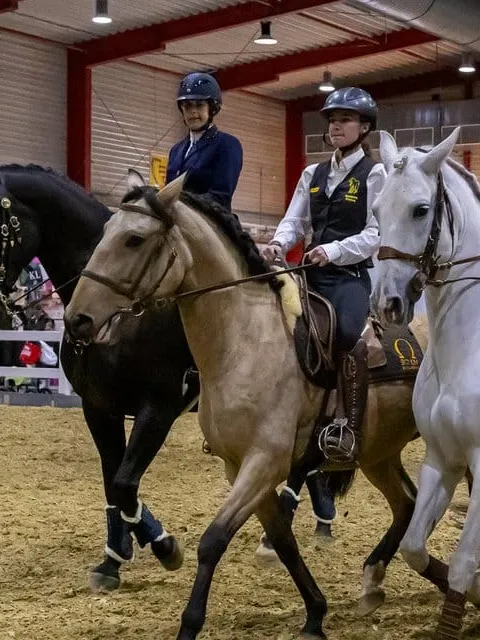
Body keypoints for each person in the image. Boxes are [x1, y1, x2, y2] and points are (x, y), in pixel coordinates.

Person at [262, 86, 385, 463]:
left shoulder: (375, 173)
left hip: (348, 278)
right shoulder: (312, 173)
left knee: (349, 336)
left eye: (345, 119)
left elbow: (376, 234)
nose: (336, 126)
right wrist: (278, 245)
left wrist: (332, 250)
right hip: (307, 274)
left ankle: (348, 425)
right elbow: (294, 220)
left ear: (364, 127)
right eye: (332, 119)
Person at [165, 71, 244, 210]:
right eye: (188, 105)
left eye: (199, 105)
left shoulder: (227, 144)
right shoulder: (175, 150)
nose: (193, 112)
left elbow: (221, 196)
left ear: (212, 108)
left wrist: (182, 207)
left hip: (212, 221)